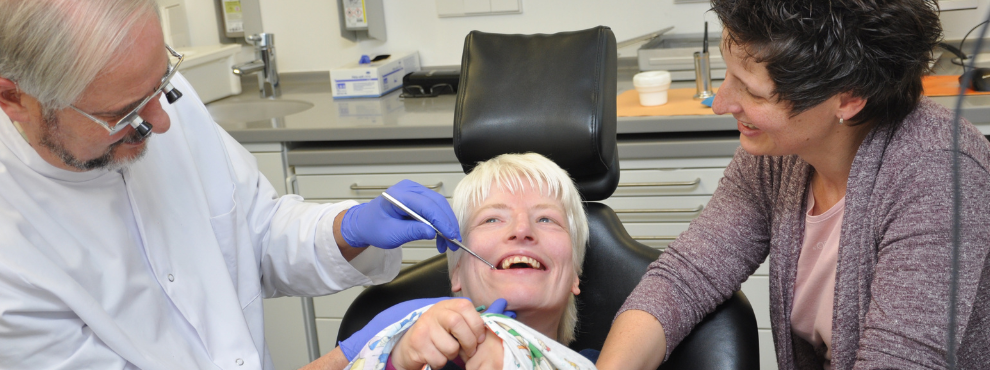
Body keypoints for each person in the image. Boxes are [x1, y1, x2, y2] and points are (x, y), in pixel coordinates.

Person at [0, 1, 461, 369]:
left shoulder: (153, 98)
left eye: (162, 84)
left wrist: (348, 229)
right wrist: (353, 357)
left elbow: (254, 230)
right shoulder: (12, 263)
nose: (161, 123)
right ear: (14, 98)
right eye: (124, 114)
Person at [597, 1, 990, 369]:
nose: (720, 102)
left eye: (751, 90)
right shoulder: (778, 157)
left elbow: (898, 359)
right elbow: (686, 278)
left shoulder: (939, 174)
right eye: (727, 75)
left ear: (849, 98)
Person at [329, 153, 595, 370]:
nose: (522, 229)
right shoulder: (410, 362)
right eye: (492, 219)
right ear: (456, 273)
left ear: (575, 274)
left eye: (546, 219)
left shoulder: (614, 361)